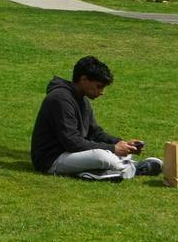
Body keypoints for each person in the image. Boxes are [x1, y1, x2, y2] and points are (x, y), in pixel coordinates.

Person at [31, 56, 162, 180]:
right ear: (84, 80)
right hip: (51, 160)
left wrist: (121, 143)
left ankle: (102, 171)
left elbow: (95, 133)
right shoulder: (59, 99)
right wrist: (113, 149)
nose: (102, 92)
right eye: (99, 86)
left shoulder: (82, 100)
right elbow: (71, 142)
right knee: (102, 157)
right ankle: (135, 168)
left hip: (71, 153)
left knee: (118, 153)